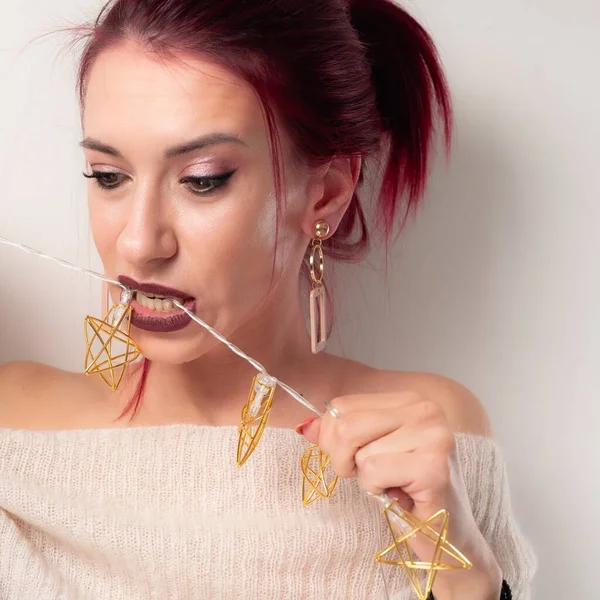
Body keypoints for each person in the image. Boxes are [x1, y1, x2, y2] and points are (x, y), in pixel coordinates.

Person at [0, 0, 537, 598]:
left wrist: (467, 572)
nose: (138, 242)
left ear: (326, 194)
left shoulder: (431, 437)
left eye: (202, 179)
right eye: (108, 176)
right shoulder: (11, 425)